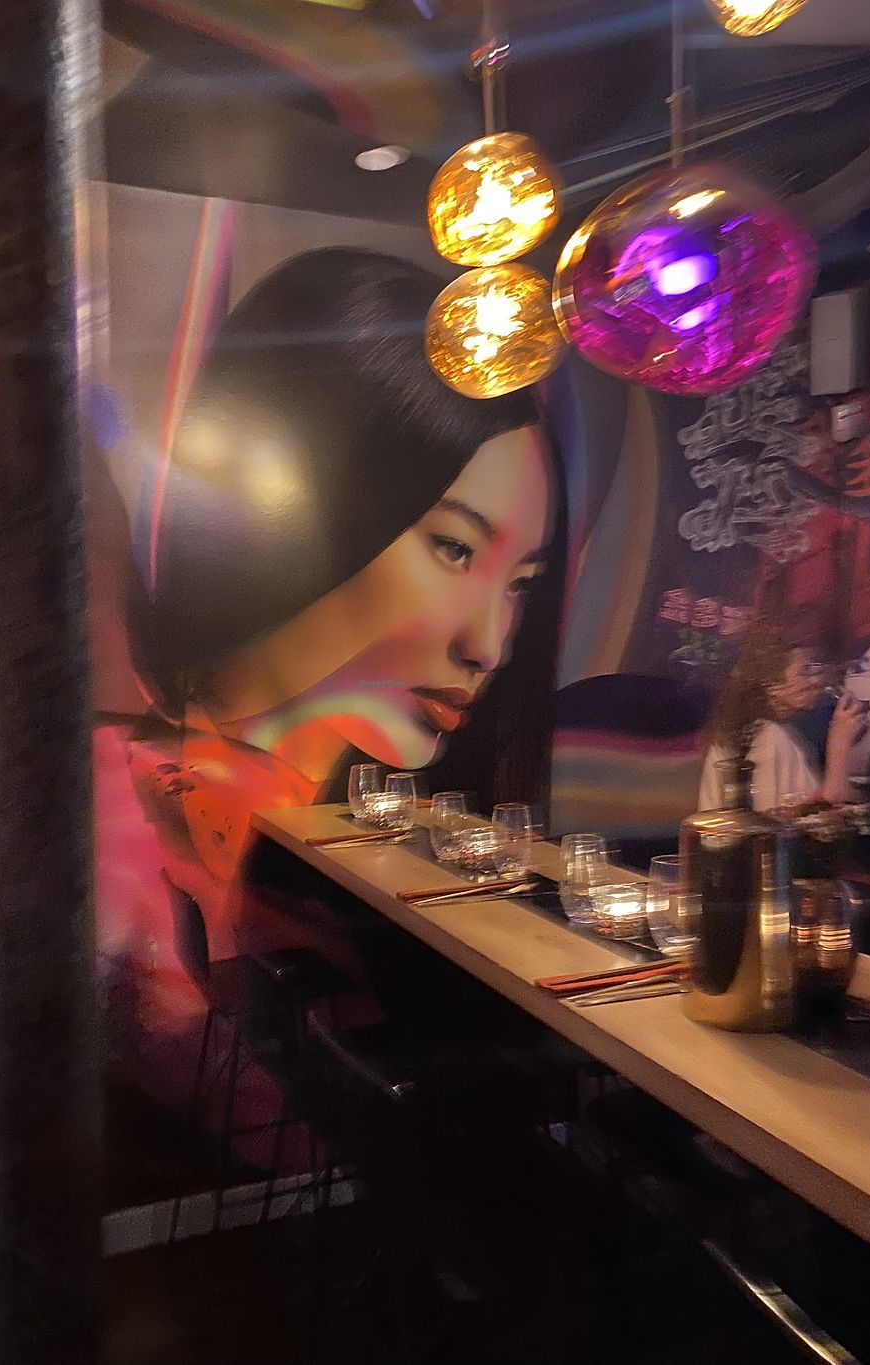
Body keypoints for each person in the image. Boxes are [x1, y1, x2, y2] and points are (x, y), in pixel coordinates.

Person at [93, 247, 565, 1119]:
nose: (491, 645)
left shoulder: (340, 807)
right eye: (454, 547)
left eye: (520, 585)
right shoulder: (112, 801)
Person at [698, 629, 864, 813]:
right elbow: (790, 821)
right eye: (805, 672)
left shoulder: (749, 730)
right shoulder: (771, 738)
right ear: (772, 685)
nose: (816, 680)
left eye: (815, 670)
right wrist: (840, 743)